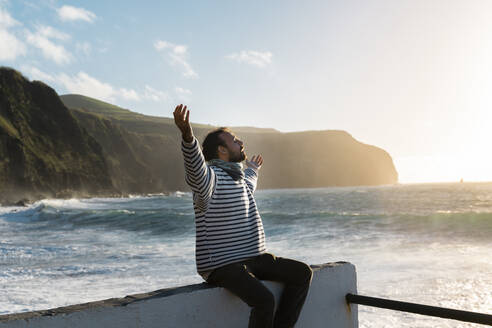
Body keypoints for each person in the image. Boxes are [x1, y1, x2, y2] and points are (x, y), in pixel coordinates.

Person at [173, 104, 313, 328]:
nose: (241, 142)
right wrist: (188, 136)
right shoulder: (209, 180)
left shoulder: (239, 180)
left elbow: (250, 180)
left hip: (253, 258)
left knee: (302, 273)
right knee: (264, 300)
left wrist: (254, 168)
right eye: (235, 140)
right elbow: (195, 167)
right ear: (222, 150)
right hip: (222, 264)